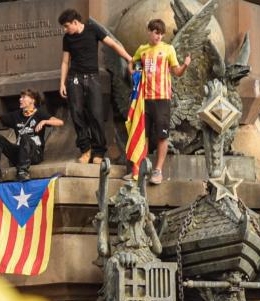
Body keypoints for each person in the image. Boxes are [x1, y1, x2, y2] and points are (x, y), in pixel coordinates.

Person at [56, 9, 131, 164]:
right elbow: (65, 61)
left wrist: (129, 58)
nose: (65, 29)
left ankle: (98, 152)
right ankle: (85, 149)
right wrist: (62, 82)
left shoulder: (93, 30)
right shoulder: (67, 38)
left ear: (75, 22)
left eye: (66, 25)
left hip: (92, 78)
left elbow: (113, 44)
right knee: (76, 113)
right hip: (74, 78)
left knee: (96, 114)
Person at [128, 18, 192, 183]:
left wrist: (185, 65)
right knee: (143, 135)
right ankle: (139, 170)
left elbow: (176, 72)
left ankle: (158, 171)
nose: (158, 36)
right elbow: (132, 62)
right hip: (144, 100)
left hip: (162, 98)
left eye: (161, 34)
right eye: (156, 33)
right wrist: (133, 73)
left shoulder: (168, 49)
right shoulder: (142, 50)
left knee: (162, 136)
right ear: (149, 31)